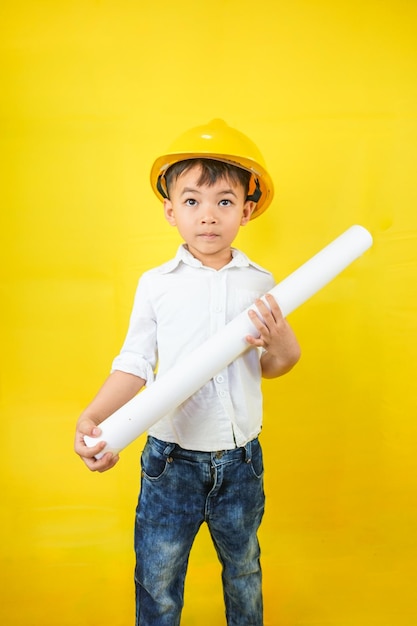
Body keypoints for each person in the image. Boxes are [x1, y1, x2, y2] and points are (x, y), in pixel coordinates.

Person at [74, 119, 301, 625]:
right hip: (170, 462)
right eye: (192, 201)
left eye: (224, 202)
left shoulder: (262, 283)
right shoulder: (156, 285)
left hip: (241, 462)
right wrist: (95, 415)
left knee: (243, 571)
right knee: (158, 579)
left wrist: (285, 345)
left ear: (246, 211)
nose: (208, 216)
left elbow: (272, 366)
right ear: (169, 210)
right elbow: (134, 364)